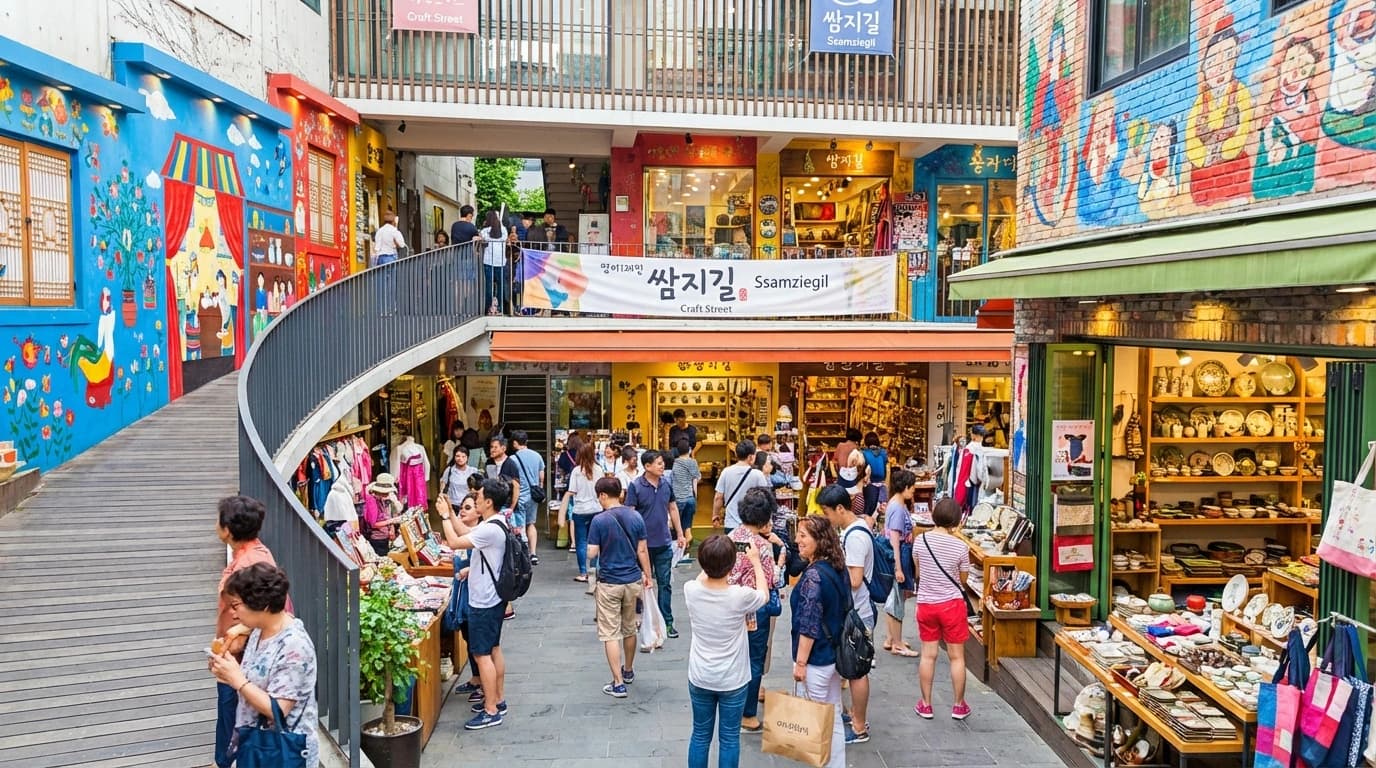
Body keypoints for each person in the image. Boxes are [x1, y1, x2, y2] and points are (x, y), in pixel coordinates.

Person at [208, 563, 318, 768]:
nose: (232, 614)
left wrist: (237, 679)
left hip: (283, 752)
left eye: (236, 605)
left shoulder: (295, 646)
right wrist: (226, 669)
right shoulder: (259, 629)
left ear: (263, 606)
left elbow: (277, 709)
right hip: (257, 745)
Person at [684, 534, 769, 768]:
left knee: (700, 735)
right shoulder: (739, 596)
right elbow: (764, 595)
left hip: (701, 675)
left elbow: (705, 574)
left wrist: (713, 562)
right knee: (730, 738)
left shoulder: (690, 590)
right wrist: (754, 561)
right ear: (732, 565)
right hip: (733, 678)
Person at [211, 496, 281, 768]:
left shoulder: (246, 566)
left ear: (227, 529)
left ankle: (226, 762)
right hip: (238, 649)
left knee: (233, 713)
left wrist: (229, 645)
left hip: (239, 654)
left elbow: (257, 613)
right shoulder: (256, 554)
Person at [442, 477, 514, 730]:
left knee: (482, 654)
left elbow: (454, 542)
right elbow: (464, 533)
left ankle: (491, 709)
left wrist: (442, 517)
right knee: (492, 649)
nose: (476, 498)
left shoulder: (490, 528)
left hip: (484, 600)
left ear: (488, 502)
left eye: (480, 496)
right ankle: (498, 699)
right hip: (493, 597)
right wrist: (451, 514)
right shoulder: (496, 524)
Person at [789, 516, 848, 768]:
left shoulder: (813, 576)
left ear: (819, 540)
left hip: (816, 660)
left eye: (803, 536)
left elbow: (809, 624)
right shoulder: (836, 567)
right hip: (833, 655)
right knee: (832, 717)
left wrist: (800, 663)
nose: (797, 541)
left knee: (814, 726)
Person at [587, 476, 653, 697]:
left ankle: (617, 683)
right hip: (633, 580)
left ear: (603, 495)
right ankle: (629, 670)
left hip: (609, 582)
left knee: (610, 633)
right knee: (629, 628)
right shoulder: (636, 517)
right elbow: (642, 550)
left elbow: (591, 553)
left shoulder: (599, 521)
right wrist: (648, 576)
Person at [728, 488, 787, 733]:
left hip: (730, 606)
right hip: (755, 609)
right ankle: (748, 713)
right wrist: (781, 552)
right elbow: (773, 579)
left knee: (735, 656)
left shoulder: (731, 538)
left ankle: (733, 703)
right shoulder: (762, 546)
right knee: (754, 659)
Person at [820, 483, 873, 744]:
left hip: (858, 613)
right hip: (853, 611)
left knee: (856, 671)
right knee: (849, 668)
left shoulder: (855, 536)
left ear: (840, 508)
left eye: (828, 512)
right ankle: (851, 715)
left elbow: (854, 579)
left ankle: (859, 726)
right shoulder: (852, 530)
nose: (827, 518)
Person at [913, 498, 973, 721]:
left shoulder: (920, 541)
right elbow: (963, 580)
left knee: (928, 655)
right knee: (957, 657)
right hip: (952, 605)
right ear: (956, 520)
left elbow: (918, 572)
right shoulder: (960, 546)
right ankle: (958, 705)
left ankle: (926, 704)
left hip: (926, 603)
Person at [624, 450, 688, 639]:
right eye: (658, 463)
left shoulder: (666, 484)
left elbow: (673, 507)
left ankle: (666, 621)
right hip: (642, 545)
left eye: (662, 463)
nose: (662, 466)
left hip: (663, 542)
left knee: (665, 583)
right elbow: (630, 512)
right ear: (647, 466)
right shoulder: (636, 487)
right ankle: (640, 619)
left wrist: (680, 533)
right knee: (641, 583)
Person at [436, 492, 483, 700]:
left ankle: (483, 683)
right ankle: (476, 678)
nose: (462, 511)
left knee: (476, 640)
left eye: (468, 508)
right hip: (463, 592)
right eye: (461, 507)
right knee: (467, 634)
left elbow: (456, 543)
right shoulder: (468, 531)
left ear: (479, 512)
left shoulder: (478, 534)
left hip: (473, 594)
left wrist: (446, 517)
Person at [882, 469, 920, 657]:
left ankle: (892, 638)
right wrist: (898, 566)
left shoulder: (895, 504)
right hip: (901, 552)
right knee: (897, 598)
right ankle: (897, 643)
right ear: (905, 487)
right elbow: (895, 538)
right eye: (912, 489)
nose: (913, 492)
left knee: (895, 597)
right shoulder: (897, 507)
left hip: (900, 552)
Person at [560, 441, 602, 582]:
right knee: (595, 541)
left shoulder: (577, 471)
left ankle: (583, 573)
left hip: (580, 510)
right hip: (596, 509)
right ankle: (594, 570)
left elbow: (572, 491)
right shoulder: (599, 469)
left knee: (581, 542)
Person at [712, 440, 770, 532]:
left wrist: (715, 515)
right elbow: (766, 499)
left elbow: (718, 497)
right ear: (750, 457)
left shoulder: (726, 472)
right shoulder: (758, 475)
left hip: (731, 524)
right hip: (752, 525)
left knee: (731, 546)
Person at [510, 429, 546, 566]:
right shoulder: (537, 456)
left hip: (519, 496)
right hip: (533, 496)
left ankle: (522, 555)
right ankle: (533, 553)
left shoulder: (513, 459)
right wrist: (539, 487)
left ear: (514, 443)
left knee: (519, 526)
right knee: (531, 524)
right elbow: (541, 475)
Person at [670, 437, 702, 562]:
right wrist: (695, 495)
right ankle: (687, 544)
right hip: (690, 498)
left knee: (677, 527)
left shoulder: (674, 463)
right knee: (687, 525)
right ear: (689, 450)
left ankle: (680, 551)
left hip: (678, 499)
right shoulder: (693, 462)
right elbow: (696, 479)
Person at [363, 474, 407, 556]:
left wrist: (391, 527)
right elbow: (374, 524)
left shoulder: (382, 499)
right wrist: (392, 521)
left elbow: (387, 515)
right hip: (378, 539)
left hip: (384, 537)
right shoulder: (372, 501)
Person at [480, 211, 508, 314]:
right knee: (501, 285)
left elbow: (482, 239)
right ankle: (499, 308)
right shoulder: (503, 230)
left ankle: (488, 308)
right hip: (500, 261)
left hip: (488, 261)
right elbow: (505, 238)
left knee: (489, 285)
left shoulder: (485, 231)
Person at [860, 432, 889, 519]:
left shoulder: (864, 453)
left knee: (869, 509)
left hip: (870, 484)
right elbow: (887, 468)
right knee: (883, 510)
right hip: (882, 483)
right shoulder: (883, 453)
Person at [321, 469, 357, 536]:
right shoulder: (345, 494)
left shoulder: (332, 494)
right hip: (343, 526)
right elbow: (349, 514)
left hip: (333, 524)